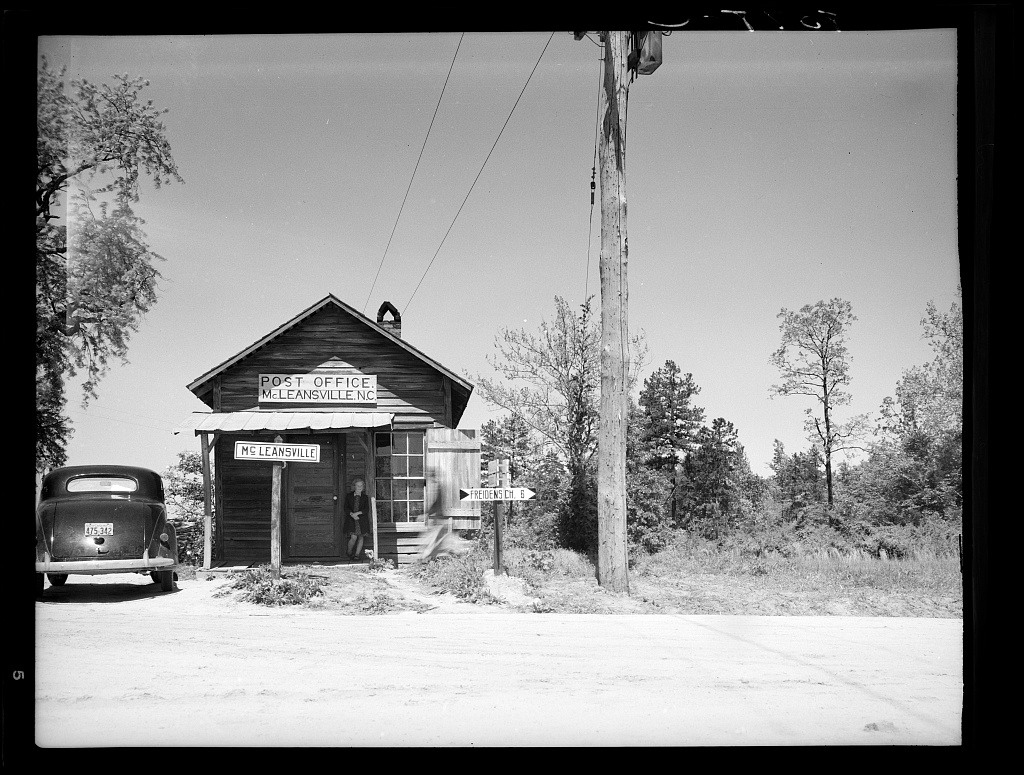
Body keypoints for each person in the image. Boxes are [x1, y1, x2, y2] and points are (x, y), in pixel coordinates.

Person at [343, 478, 370, 561]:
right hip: (352, 520)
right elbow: (346, 508)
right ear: (354, 486)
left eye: (361, 485)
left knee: (361, 537)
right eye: (358, 485)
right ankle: (349, 552)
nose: (359, 487)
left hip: (361, 520)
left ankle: (357, 555)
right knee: (353, 537)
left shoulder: (365, 497)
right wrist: (352, 514)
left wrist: (357, 514)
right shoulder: (349, 496)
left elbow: (366, 509)